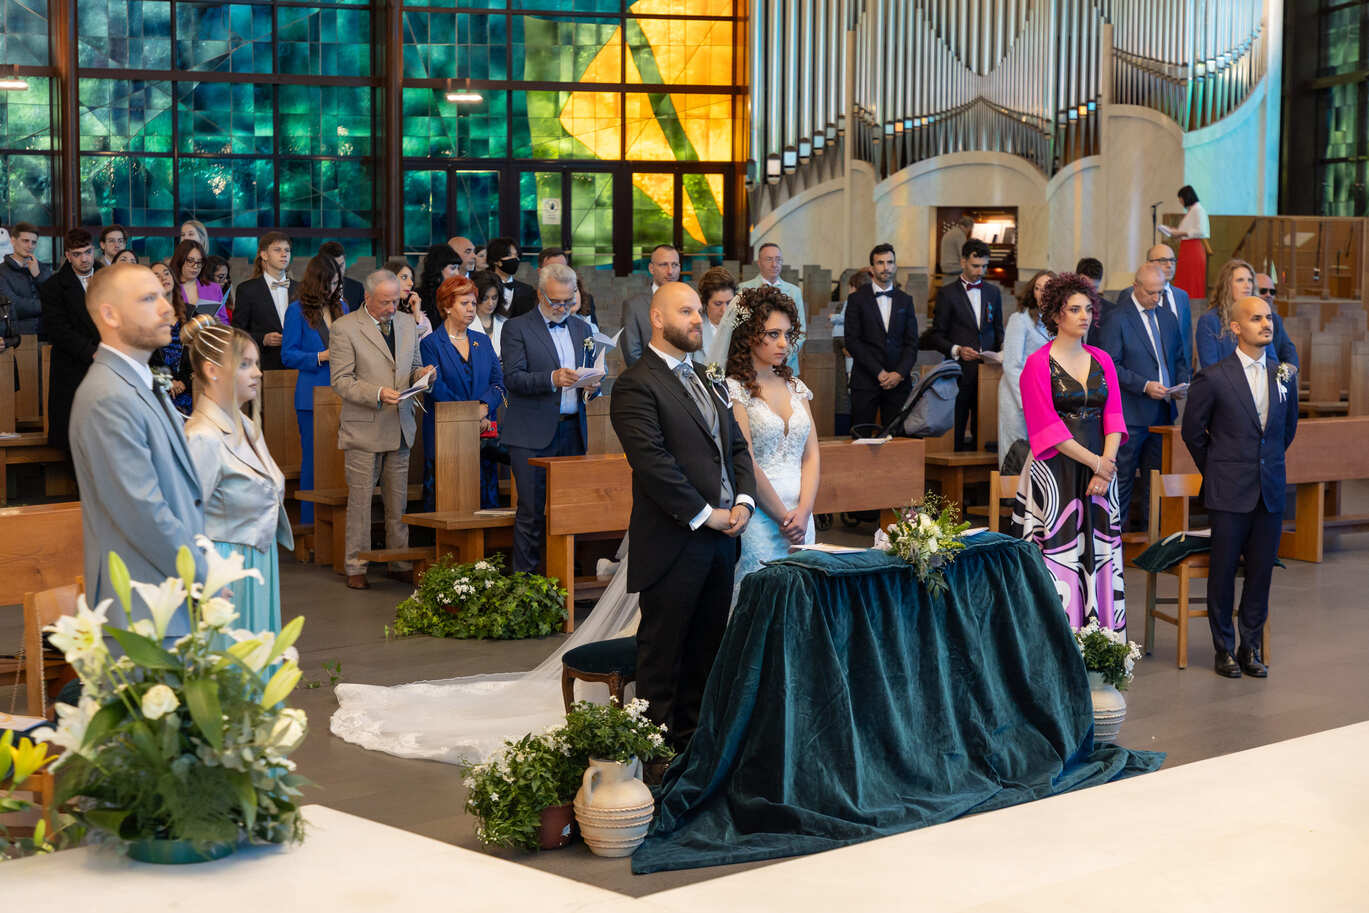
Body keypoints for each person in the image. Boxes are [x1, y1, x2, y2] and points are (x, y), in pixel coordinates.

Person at [611, 281, 756, 751]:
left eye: (698, 311)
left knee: (706, 652)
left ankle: (694, 750)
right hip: (674, 542)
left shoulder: (709, 376)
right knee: (663, 658)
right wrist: (705, 514)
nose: (698, 320)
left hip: (722, 541)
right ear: (657, 319)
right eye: (686, 312)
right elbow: (653, 464)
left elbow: (735, 447)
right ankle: (654, 756)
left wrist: (744, 502)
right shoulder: (636, 383)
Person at [68, 263, 206, 636]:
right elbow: (143, 511)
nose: (167, 308)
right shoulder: (108, 397)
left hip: (169, 597)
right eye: (148, 299)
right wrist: (204, 574)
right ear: (110, 315)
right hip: (142, 608)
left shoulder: (140, 381)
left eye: (163, 295)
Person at [1182, 294, 1298, 678]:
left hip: (1270, 488)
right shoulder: (1214, 377)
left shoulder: (1283, 375)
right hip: (1228, 490)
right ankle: (1224, 648)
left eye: (1269, 318)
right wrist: (1217, 469)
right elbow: (1192, 432)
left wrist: (1265, 462)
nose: (1266, 324)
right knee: (1224, 571)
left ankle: (1250, 646)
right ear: (1236, 327)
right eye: (1256, 319)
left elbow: (1287, 430)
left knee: (1261, 572)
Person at [1011, 272, 1127, 631]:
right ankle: (1057, 637)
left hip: (1100, 470)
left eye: (1088, 309)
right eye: (1074, 309)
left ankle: (1100, 639)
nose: (1084, 316)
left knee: (1100, 555)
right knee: (1057, 555)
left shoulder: (1103, 359)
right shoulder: (1037, 364)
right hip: (1054, 471)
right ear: (1055, 314)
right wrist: (1098, 464)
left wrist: (1105, 466)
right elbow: (1046, 427)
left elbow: (1115, 417)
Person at [184, 317, 292, 635]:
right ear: (212, 370)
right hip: (224, 569)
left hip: (259, 560)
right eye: (245, 364)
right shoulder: (202, 436)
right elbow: (187, 520)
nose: (258, 372)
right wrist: (207, 577)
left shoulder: (246, 424)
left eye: (256, 363)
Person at [329, 269, 434, 589]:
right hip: (364, 427)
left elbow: (412, 365)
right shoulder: (345, 327)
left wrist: (423, 374)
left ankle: (398, 561)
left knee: (397, 502)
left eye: (395, 301)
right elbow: (341, 381)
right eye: (385, 302)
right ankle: (355, 566)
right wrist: (376, 393)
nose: (392, 308)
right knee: (361, 502)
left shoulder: (407, 323)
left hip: (400, 424)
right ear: (367, 297)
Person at [500, 263, 597, 573]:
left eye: (568, 301)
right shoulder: (517, 328)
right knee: (531, 511)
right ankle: (526, 584)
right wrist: (551, 378)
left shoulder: (582, 329)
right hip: (531, 434)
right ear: (540, 295)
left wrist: (593, 386)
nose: (562, 308)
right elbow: (512, 378)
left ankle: (565, 578)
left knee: (570, 510)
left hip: (572, 430)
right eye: (555, 301)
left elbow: (591, 373)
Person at [725, 286, 818, 604]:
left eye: (787, 334)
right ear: (750, 335)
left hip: (802, 514)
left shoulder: (796, 387)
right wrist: (784, 518)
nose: (783, 343)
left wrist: (804, 512)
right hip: (761, 516)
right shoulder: (734, 389)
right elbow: (746, 459)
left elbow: (811, 456)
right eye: (773, 334)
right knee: (760, 602)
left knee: (801, 601)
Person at [1099, 263, 1190, 532]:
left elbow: (1179, 358)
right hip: (1131, 414)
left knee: (1157, 481)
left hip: (1163, 412)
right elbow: (1110, 366)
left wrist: (1181, 383)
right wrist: (1144, 386)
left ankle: (1155, 538)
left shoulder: (1168, 318)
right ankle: (1116, 539)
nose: (1156, 298)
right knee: (1123, 480)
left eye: (1160, 292)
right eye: (1150, 292)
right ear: (1135, 286)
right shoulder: (1117, 318)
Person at [420, 274, 505, 510]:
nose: (471, 309)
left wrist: (484, 408)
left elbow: (498, 382)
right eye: (464, 303)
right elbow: (437, 388)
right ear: (447, 306)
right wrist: (471, 415)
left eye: (473, 303)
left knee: (485, 506)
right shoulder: (430, 344)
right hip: (447, 437)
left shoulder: (482, 341)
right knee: (447, 506)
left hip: (483, 435)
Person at [282, 255, 349, 524]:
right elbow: (288, 355)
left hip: (343, 393)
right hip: (311, 396)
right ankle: (310, 524)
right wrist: (320, 356)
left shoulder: (342, 307)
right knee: (313, 461)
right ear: (313, 283)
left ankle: (338, 524)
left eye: (335, 283)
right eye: (326, 284)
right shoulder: (296, 310)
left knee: (339, 460)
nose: (330, 289)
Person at [926, 238, 1004, 451]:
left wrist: (1001, 352)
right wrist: (957, 350)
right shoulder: (947, 294)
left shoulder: (993, 292)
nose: (981, 271)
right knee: (957, 426)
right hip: (959, 371)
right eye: (975, 266)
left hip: (987, 371)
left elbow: (998, 329)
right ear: (963, 262)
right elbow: (936, 336)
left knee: (985, 426)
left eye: (984, 266)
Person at [843, 243, 920, 434]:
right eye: (880, 263)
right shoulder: (856, 299)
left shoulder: (905, 300)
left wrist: (899, 374)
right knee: (861, 437)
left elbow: (912, 343)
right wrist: (879, 372)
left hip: (898, 383)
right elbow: (852, 341)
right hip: (865, 380)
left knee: (896, 440)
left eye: (890, 262)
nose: (886, 267)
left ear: (895, 266)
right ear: (872, 268)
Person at [40, 228, 100, 460]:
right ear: (67, 255)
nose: (84, 259)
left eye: (87, 252)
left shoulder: (109, 277)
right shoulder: (53, 286)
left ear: (94, 250)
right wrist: (91, 352)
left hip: (109, 361)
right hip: (73, 366)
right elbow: (57, 329)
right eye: (77, 254)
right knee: (77, 437)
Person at [1195, 259, 1299, 370]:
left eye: (1250, 280)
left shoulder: (1261, 317)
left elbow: (1271, 360)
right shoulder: (1209, 321)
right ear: (1227, 285)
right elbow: (1210, 368)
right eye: (1240, 280)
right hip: (1226, 380)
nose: (1247, 285)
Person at [998, 269, 1055, 467]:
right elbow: (1012, 365)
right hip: (1019, 397)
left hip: (1045, 397)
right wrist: (1028, 401)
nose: (1041, 294)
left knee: (1040, 458)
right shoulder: (1020, 319)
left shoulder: (1058, 322)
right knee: (1016, 455)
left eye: (1047, 289)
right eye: (1037, 289)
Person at [1106, 245, 1194, 364]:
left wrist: (1187, 369)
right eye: (1163, 260)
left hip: (1174, 370)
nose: (1169, 265)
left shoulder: (1181, 296)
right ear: (1148, 264)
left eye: (1172, 260)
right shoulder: (1131, 294)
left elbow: (1186, 338)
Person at [231, 232, 295, 371]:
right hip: (263, 364)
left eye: (287, 250)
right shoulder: (247, 290)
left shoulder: (301, 288)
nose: (284, 254)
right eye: (277, 250)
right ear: (264, 255)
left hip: (298, 365)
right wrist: (263, 339)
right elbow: (237, 332)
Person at [738, 242, 807, 372]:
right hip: (754, 364)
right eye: (769, 259)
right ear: (759, 263)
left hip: (787, 363)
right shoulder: (744, 289)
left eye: (778, 259)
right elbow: (741, 329)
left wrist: (783, 355)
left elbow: (801, 332)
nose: (774, 264)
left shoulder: (794, 291)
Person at [619, 244, 682, 367]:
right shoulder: (634, 306)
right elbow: (632, 355)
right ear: (651, 268)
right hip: (648, 377)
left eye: (675, 265)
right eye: (664, 265)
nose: (670, 271)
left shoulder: (689, 302)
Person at [150, 264, 195, 416]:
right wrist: (167, 382)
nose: (163, 278)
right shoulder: (146, 316)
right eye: (156, 275)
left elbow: (198, 354)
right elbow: (147, 360)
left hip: (189, 388)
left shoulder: (191, 312)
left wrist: (184, 382)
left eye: (166, 273)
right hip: (160, 391)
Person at [0, 222, 51, 336]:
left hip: (47, 335)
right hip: (18, 337)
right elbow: (13, 306)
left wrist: (38, 276)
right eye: (25, 241)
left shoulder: (43, 269)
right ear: (13, 241)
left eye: (34, 242)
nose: (30, 246)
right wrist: (48, 306)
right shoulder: (2, 272)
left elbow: (54, 297)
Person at [539, 247, 598, 331]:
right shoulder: (530, 299)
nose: (559, 273)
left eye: (563, 268)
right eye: (552, 269)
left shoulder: (585, 301)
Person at [170, 239, 226, 323]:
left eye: (199, 262)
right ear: (180, 260)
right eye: (190, 261)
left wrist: (218, 322)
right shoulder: (170, 287)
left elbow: (225, 321)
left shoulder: (214, 288)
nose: (195, 266)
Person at [1168, 185, 1209, 300]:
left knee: (1191, 280)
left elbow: (1201, 231)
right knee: (1185, 278)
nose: (1180, 202)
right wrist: (1177, 232)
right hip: (1187, 248)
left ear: (1186, 197)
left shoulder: (1198, 210)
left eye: (1181, 199)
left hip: (1193, 248)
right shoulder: (1192, 210)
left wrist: (1180, 233)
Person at [694, 266, 737, 366]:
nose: (725, 310)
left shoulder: (744, 326)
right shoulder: (695, 329)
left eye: (729, 303)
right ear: (705, 302)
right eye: (718, 304)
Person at [415, 244, 462, 330]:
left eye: (458, 268)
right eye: (453, 268)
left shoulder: (457, 295)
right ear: (438, 269)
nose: (457, 273)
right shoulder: (419, 297)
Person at [385, 256, 432, 342]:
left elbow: (425, 347)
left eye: (412, 279)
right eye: (404, 277)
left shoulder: (422, 319)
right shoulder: (376, 315)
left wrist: (417, 316)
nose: (411, 283)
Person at [488, 237, 537, 318]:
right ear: (496, 260)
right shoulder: (482, 286)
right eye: (509, 255)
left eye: (516, 255)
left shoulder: (527, 290)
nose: (515, 259)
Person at [319, 240, 365, 311]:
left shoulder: (357, 289)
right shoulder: (309, 289)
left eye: (341, 265)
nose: (338, 272)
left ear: (345, 259)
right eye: (333, 267)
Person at [472, 269, 507, 356]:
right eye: (485, 298)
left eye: (494, 298)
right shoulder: (465, 324)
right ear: (475, 297)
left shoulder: (505, 323)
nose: (490, 303)